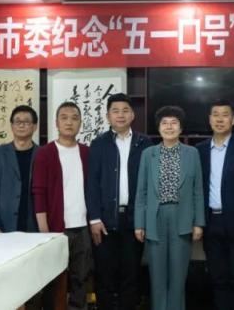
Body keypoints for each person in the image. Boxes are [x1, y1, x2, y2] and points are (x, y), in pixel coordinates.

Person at [86, 93, 152, 310]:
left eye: (125, 111)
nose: (120, 115)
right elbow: (92, 183)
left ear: (133, 115)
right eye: (115, 111)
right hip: (105, 220)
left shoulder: (145, 143)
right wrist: (94, 218)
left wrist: (144, 219)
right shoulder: (99, 144)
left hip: (134, 221)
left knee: (131, 275)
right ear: (108, 116)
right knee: (104, 275)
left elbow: (149, 184)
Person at [134, 106, 205, 310]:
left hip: (182, 218)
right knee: (157, 277)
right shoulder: (148, 154)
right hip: (154, 218)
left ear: (181, 128)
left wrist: (199, 223)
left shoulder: (192, 153)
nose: (169, 127)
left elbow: (197, 190)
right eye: (164, 123)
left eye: (174, 123)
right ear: (159, 128)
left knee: (178, 276)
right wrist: (139, 224)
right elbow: (141, 191)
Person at [195, 100, 234, 310]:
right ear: (209, 120)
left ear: (233, 120)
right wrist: (198, 222)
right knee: (218, 278)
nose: (220, 119)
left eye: (225, 115)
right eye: (216, 115)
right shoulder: (199, 150)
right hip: (210, 222)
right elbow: (196, 190)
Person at [32, 102, 91, 310]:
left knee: (81, 278)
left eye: (74, 118)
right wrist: (44, 230)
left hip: (83, 227)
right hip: (56, 228)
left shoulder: (87, 152)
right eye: (64, 118)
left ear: (80, 123)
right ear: (56, 123)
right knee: (54, 280)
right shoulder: (45, 153)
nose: (69, 122)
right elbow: (38, 192)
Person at [0, 105, 39, 233]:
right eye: (17, 122)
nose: (21, 125)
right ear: (12, 126)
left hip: (35, 225)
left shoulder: (43, 154)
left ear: (34, 126)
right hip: (5, 225)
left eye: (26, 122)